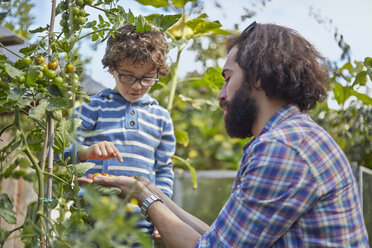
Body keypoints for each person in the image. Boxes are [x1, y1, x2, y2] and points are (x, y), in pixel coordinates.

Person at [79, 22, 370, 247]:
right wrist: (147, 190)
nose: (220, 96)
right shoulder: (292, 136)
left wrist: (143, 196)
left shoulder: (282, 148)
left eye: (228, 78)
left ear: (258, 77)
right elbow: (218, 236)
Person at [64, 24, 176, 236]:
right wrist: (85, 152)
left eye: (147, 78)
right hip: (93, 222)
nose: (137, 86)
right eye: (128, 76)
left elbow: (163, 171)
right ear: (112, 68)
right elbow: (61, 151)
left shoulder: (161, 118)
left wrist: (163, 214)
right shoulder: (92, 107)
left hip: (140, 227)